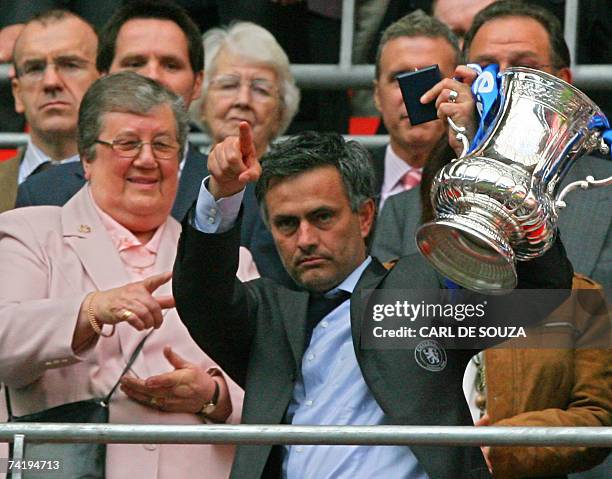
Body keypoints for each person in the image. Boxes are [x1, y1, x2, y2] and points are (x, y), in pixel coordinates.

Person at [172, 123, 573, 478]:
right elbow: (199, 295)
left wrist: (503, 172)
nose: (306, 239)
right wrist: (222, 195)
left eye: (322, 217)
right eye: (287, 224)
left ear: (364, 217)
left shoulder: (419, 288)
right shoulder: (266, 316)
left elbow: (541, 293)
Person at [0, 72, 253, 479]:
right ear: (86, 158)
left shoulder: (230, 260)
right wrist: (90, 310)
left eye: (163, 145)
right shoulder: (31, 233)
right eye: (128, 143)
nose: (148, 159)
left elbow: (274, 390)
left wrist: (213, 397)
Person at [15, 0, 207, 222]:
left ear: (197, 83)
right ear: (103, 78)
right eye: (135, 63)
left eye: (170, 64)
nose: (152, 76)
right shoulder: (43, 192)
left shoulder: (235, 192)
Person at [196, 21, 301, 287]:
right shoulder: (175, 175)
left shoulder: (293, 186)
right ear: (202, 100)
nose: (243, 99)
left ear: (281, 110)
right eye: (229, 85)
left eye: (260, 89)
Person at [0, 10, 99, 214]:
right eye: (35, 68)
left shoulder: (136, 182)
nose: (51, 82)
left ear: (102, 80)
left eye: (70, 65)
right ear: (17, 93)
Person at [372, 10, 461, 211]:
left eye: (429, 77)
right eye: (399, 79)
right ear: (377, 95)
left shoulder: (481, 181)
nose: (417, 97)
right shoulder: (347, 181)